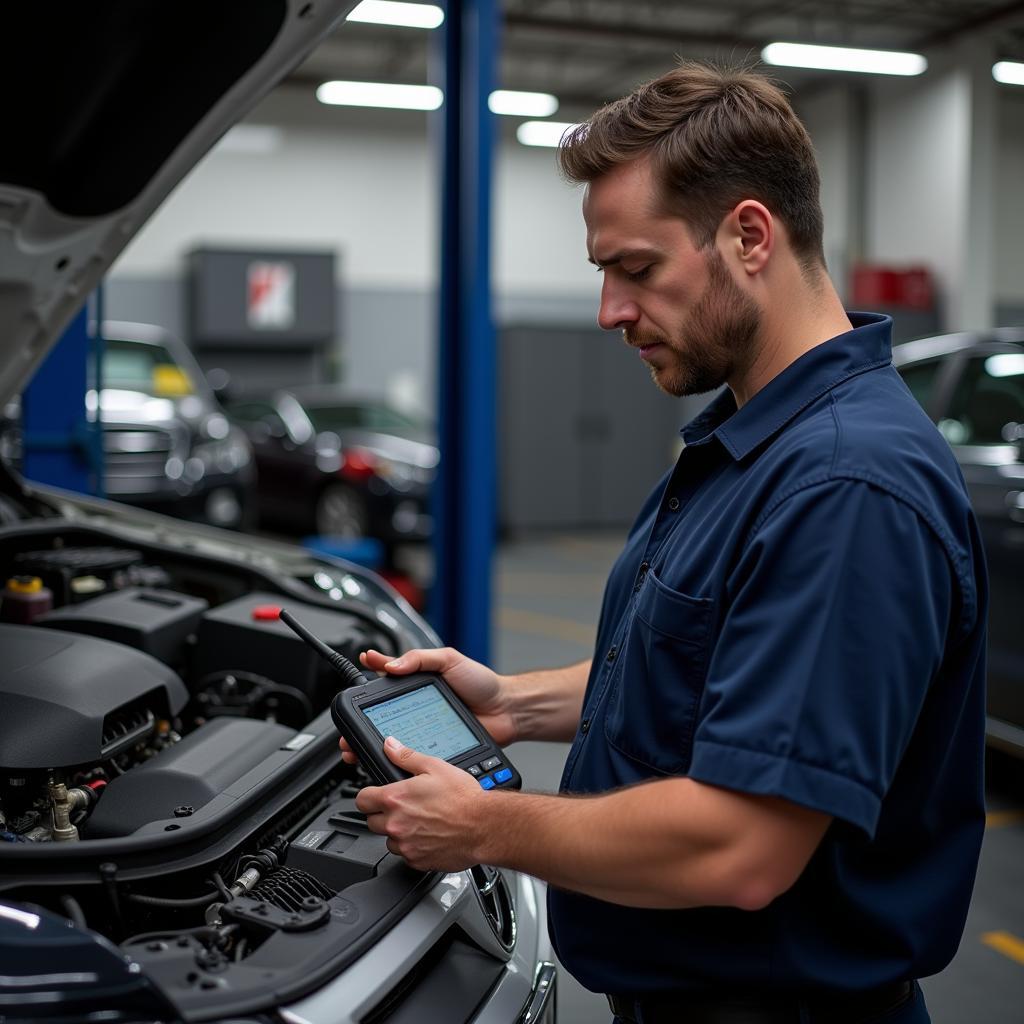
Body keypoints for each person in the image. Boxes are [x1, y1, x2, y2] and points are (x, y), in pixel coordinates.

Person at [343, 62, 987, 1024]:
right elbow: (709, 666)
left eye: (637, 269)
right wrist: (514, 703)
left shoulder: (847, 487)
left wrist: (482, 825)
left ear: (750, 236)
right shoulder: (756, 440)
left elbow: (741, 847)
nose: (610, 310)